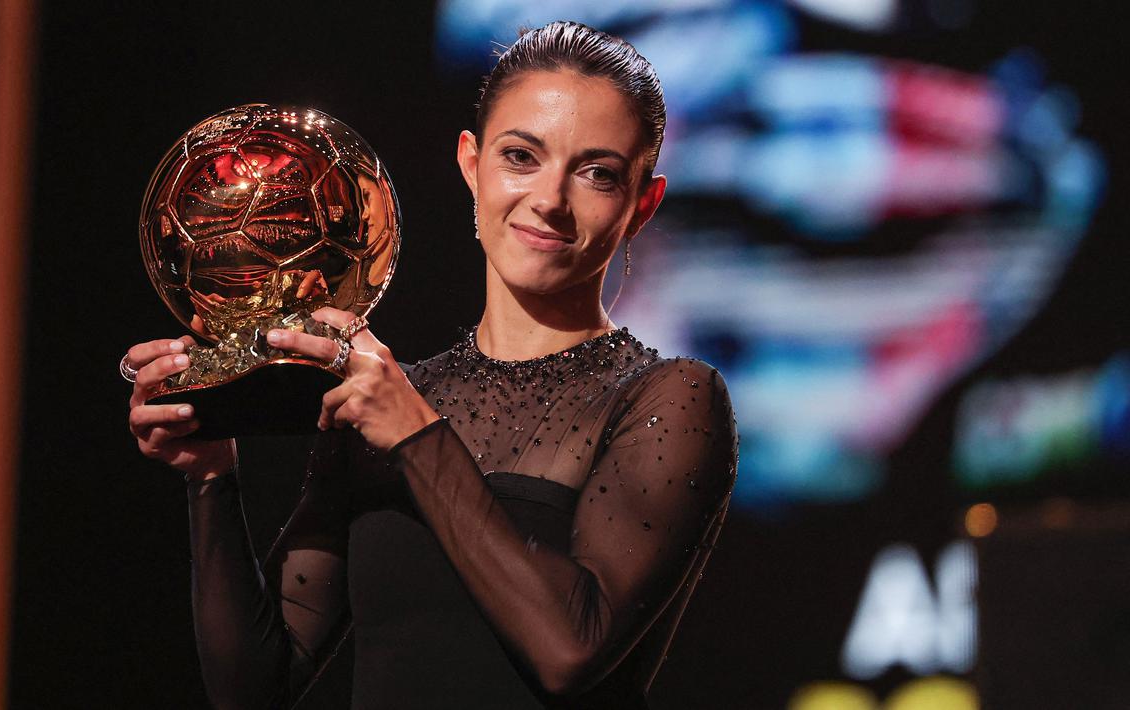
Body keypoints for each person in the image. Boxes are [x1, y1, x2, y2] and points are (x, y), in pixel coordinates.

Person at [125, 21, 737, 709]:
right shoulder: (386, 402)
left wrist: (416, 436)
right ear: (471, 164)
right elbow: (254, 688)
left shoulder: (669, 398)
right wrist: (211, 478)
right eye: (521, 156)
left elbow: (571, 650)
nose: (549, 199)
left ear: (641, 205)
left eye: (596, 173)